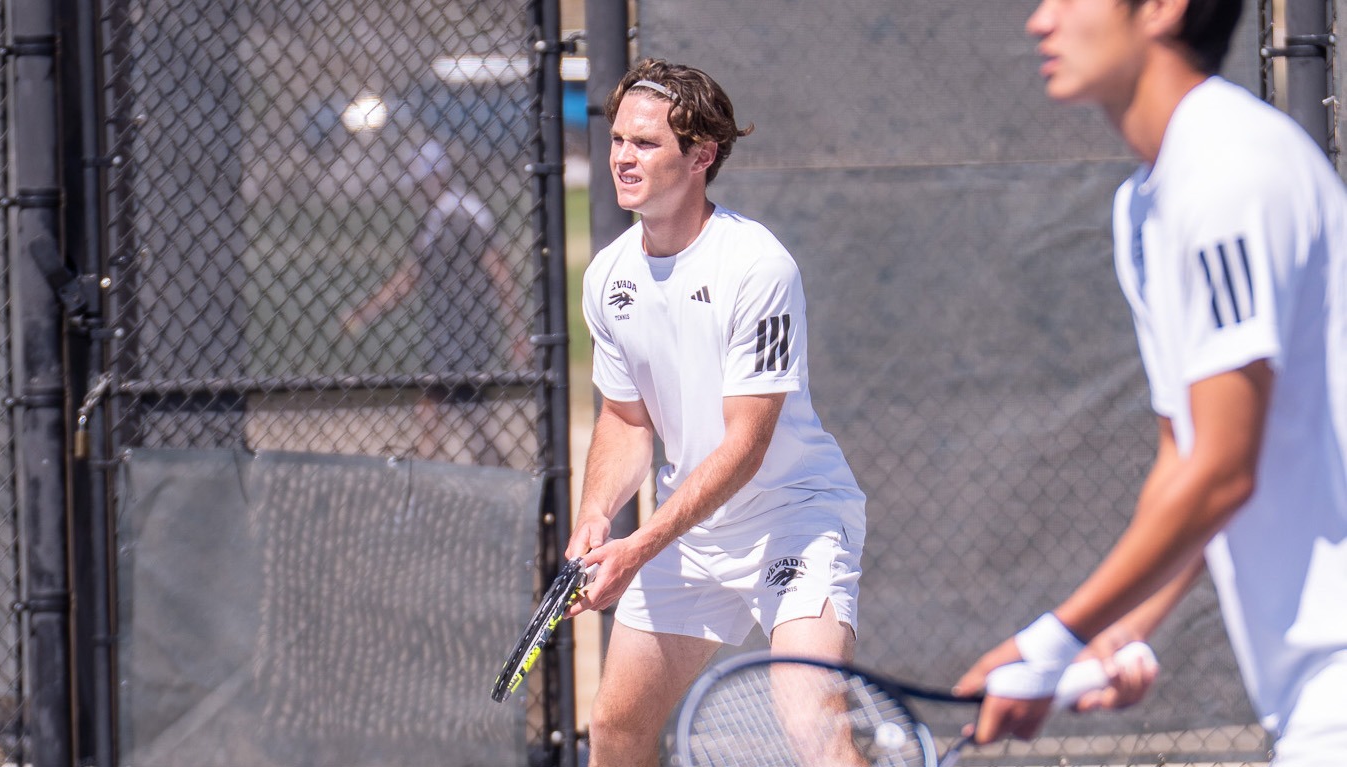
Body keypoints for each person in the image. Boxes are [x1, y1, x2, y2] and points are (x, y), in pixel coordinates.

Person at [954, 1, 1347, 763]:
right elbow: (1188, 457)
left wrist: (1048, 637)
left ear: (1161, 9)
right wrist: (1117, 630)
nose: (1040, 21)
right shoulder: (1144, 203)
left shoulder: (1229, 170)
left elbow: (1221, 473)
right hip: (1309, 690)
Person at [565, 58, 867, 766]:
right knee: (615, 728)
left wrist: (636, 546)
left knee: (812, 728)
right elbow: (626, 419)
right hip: (691, 535)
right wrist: (595, 512)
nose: (622, 156)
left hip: (791, 517)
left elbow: (746, 446)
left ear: (701, 156)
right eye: (617, 139)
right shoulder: (607, 275)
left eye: (645, 143)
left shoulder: (756, 266)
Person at [341, 140, 530, 465]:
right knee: (445, 414)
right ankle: (441, 477)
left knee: (456, 416)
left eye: (421, 181)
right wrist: (367, 310)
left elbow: (497, 268)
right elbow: (411, 276)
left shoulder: (462, 213)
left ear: (438, 176)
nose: (417, 190)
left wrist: (516, 329)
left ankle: (450, 478)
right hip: (445, 329)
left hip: (469, 330)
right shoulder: (435, 218)